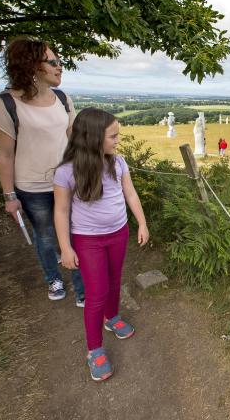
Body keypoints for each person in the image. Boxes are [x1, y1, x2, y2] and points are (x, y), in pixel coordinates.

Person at [54, 108, 149, 382]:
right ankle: (94, 349)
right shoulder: (66, 171)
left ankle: (112, 317)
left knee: (115, 279)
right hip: (88, 240)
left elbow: (130, 193)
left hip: (119, 233)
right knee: (96, 293)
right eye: (113, 136)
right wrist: (66, 247)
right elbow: (60, 211)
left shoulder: (117, 163)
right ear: (93, 138)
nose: (118, 140)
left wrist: (141, 223)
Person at [0, 37, 85, 305]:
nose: (60, 67)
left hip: (67, 182)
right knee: (45, 236)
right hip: (32, 187)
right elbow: (5, 155)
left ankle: (82, 290)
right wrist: (10, 197)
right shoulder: (6, 103)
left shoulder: (63, 99)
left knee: (75, 233)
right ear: (32, 66)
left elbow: (74, 141)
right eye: (53, 62)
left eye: (59, 61)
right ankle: (53, 279)